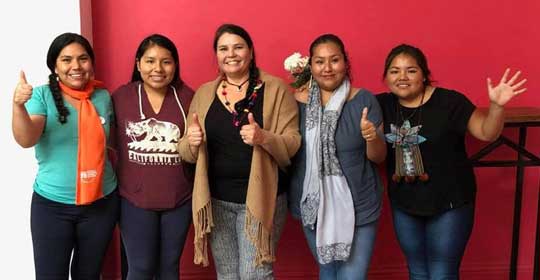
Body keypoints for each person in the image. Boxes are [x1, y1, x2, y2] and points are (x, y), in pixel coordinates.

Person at [376, 44, 527, 280]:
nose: (402, 77)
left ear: (424, 74)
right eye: (395, 71)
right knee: (417, 272)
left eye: (411, 70)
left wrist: (497, 106)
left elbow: (487, 132)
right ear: (386, 77)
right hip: (404, 202)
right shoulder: (381, 105)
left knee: (442, 273)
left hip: (450, 202)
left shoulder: (450, 102)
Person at [178, 23, 300, 279]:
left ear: (251, 52)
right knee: (228, 275)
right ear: (217, 55)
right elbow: (185, 151)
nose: (230, 54)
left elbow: (292, 144)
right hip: (218, 201)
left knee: (254, 273)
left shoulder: (275, 89)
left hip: (260, 197)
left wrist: (263, 137)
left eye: (238, 47)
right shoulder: (204, 93)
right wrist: (192, 140)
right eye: (223, 48)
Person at [11, 32, 119, 279]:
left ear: (91, 62)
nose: (76, 66)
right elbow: (26, 138)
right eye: (66, 59)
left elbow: (114, 143)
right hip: (52, 206)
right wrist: (18, 106)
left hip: (102, 202)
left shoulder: (102, 97)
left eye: (83, 59)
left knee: (89, 275)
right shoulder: (41, 95)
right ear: (55, 66)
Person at [288, 34, 387, 280]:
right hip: (313, 205)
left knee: (351, 276)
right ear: (310, 66)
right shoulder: (295, 102)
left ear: (346, 63)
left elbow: (378, 157)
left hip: (359, 204)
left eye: (334, 60)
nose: (327, 68)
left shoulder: (364, 100)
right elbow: (286, 150)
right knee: (328, 271)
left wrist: (372, 136)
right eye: (320, 62)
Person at [111, 33, 194, 280]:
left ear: (175, 65)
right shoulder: (120, 97)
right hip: (134, 199)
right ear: (138, 64)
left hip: (179, 199)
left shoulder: (190, 98)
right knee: (141, 268)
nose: (157, 68)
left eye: (166, 62)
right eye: (150, 61)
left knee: (169, 268)